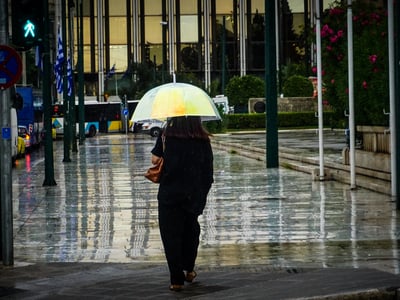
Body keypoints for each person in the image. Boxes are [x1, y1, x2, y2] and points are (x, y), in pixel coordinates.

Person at [150, 116, 214, 292]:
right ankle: (189, 268)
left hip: (169, 195)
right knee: (191, 232)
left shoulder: (166, 136)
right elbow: (208, 170)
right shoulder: (202, 139)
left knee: (171, 236)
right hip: (193, 195)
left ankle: (176, 280)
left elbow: (155, 160)